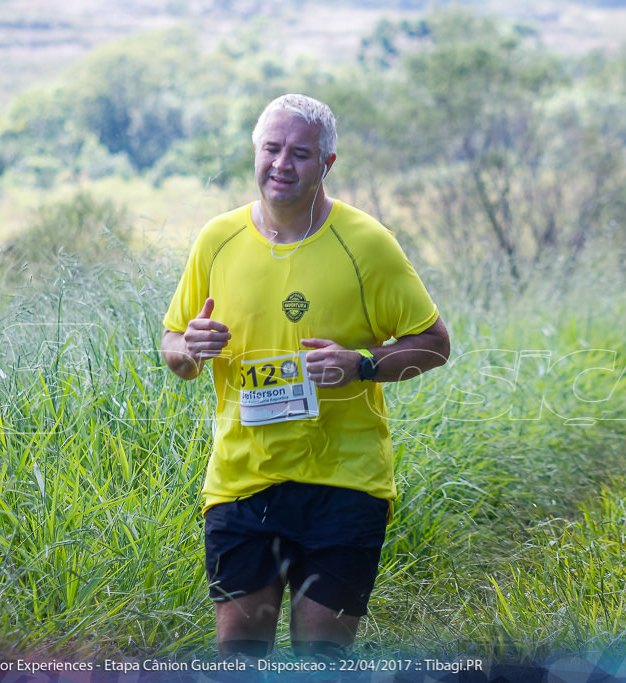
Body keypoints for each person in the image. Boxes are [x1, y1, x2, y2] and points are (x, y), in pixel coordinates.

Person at [160, 94, 450, 660]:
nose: (281, 165)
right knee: (240, 659)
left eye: (300, 153)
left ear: (327, 164)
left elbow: (435, 345)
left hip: (344, 483)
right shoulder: (217, 239)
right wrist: (189, 347)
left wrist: (360, 364)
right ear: (255, 151)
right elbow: (174, 347)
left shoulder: (366, 243)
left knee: (321, 662)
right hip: (242, 481)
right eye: (271, 149)